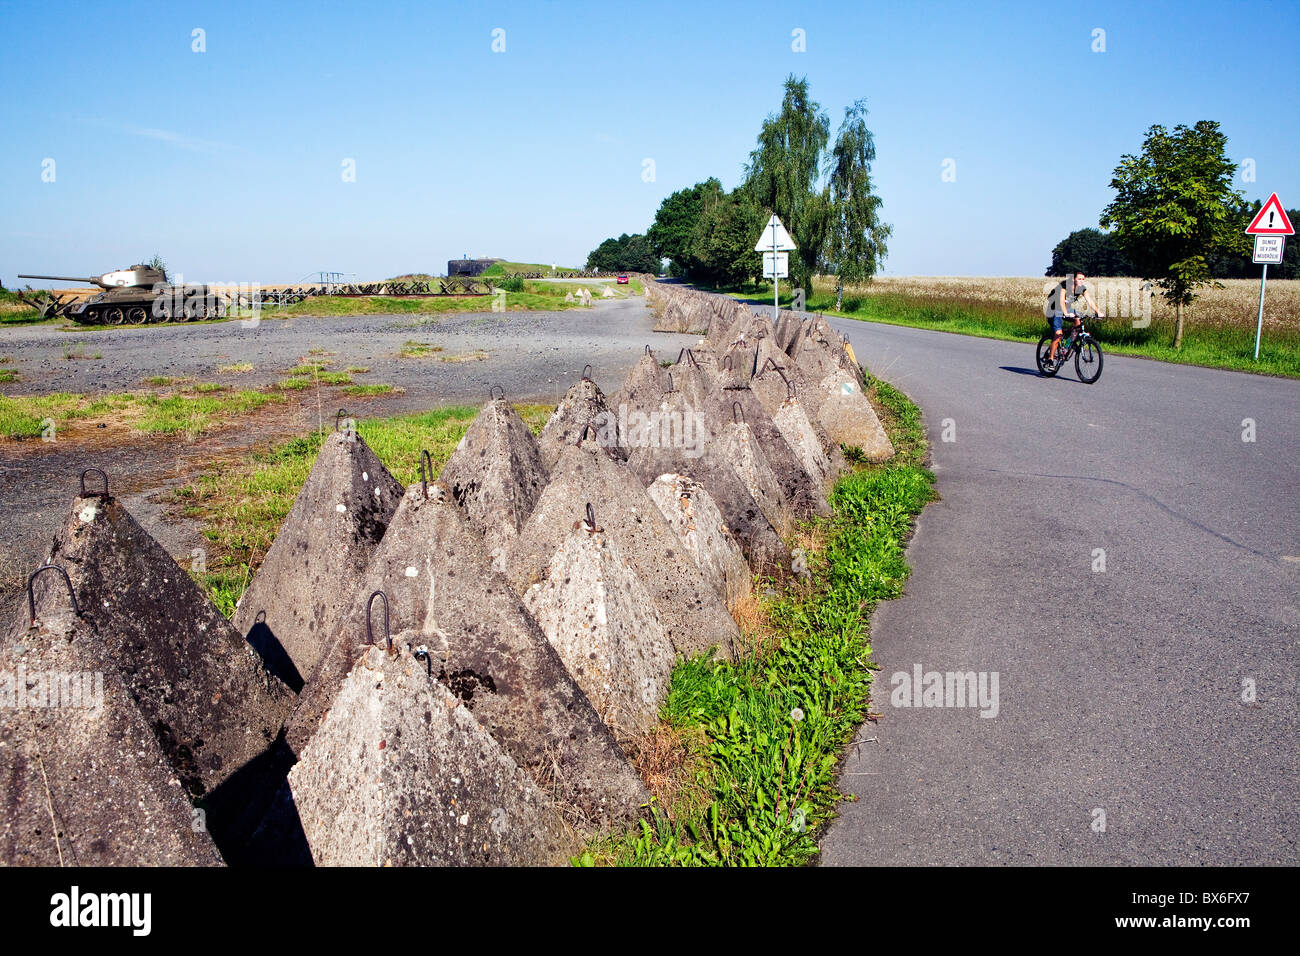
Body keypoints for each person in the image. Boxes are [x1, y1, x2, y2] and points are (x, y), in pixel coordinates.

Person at [1045, 271, 1104, 364]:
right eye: (1079, 279)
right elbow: (1061, 302)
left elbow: (1090, 302)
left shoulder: (1082, 289)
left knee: (1078, 321)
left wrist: (1098, 312)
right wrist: (1066, 313)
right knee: (1058, 334)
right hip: (1054, 310)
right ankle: (1050, 359)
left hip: (1067, 308)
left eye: (1083, 279)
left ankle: (1069, 344)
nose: (1081, 281)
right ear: (1073, 279)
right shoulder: (1064, 286)